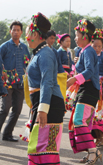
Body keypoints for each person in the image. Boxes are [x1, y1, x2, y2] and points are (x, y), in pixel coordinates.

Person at [25, 13, 65, 165]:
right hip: (43, 103)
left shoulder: (46, 53)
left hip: (50, 105)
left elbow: (47, 82)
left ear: (35, 34)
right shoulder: (39, 53)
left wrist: (43, 109)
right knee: (37, 147)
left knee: (45, 148)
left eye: (28, 32)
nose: (26, 36)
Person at [67, 19, 102, 164]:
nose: (75, 38)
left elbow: (89, 71)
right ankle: (91, 153)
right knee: (84, 122)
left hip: (88, 90)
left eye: (77, 35)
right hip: (86, 89)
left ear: (85, 37)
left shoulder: (88, 51)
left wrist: (74, 79)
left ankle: (93, 151)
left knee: (78, 120)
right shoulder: (84, 51)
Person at [0, 21, 31, 144]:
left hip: (20, 83)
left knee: (18, 109)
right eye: (14, 30)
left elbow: (28, 63)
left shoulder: (24, 47)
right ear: (10, 31)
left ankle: (7, 133)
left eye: (18, 30)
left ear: (21, 32)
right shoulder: (4, 46)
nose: (16, 32)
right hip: (7, 83)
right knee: (5, 108)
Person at [46, 30, 68, 101]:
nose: (53, 40)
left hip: (54, 78)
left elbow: (59, 65)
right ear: (46, 38)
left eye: (54, 38)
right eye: (51, 38)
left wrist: (64, 74)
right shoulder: (41, 50)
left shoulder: (55, 51)